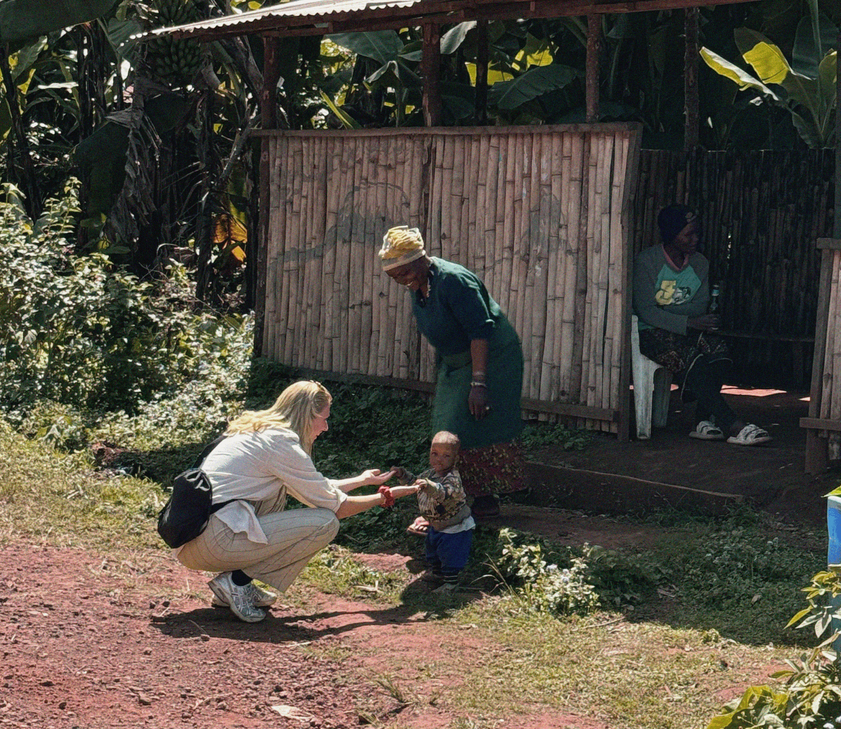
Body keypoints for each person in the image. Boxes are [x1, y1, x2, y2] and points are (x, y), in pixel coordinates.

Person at [174, 380, 418, 623]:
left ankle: (234, 585)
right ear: (307, 415)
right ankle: (236, 582)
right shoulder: (281, 444)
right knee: (326, 523)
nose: (326, 427)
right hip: (214, 542)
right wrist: (385, 497)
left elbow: (314, 488)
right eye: (323, 418)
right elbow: (337, 507)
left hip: (198, 540)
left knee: (278, 492)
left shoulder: (260, 432)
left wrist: (361, 480)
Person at [379, 225, 526, 519]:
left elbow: (479, 331)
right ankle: (454, 497)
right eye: (395, 277)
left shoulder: (454, 281)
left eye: (406, 272)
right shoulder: (419, 284)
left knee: (472, 422)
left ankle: (484, 503)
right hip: (456, 361)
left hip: (490, 358)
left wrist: (479, 382)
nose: (403, 281)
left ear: (422, 258)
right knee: (446, 425)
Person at [632, 204, 771, 446]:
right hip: (650, 333)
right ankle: (733, 424)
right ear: (671, 234)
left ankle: (701, 421)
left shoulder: (700, 264)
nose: (695, 239)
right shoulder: (647, 262)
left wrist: (674, 315)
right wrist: (687, 321)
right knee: (690, 356)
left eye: (697, 233)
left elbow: (700, 305)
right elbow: (646, 312)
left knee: (720, 352)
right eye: (688, 234)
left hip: (685, 327)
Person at [392, 431, 475, 586]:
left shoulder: (453, 478)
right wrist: (402, 475)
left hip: (454, 526)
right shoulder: (430, 474)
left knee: (451, 555)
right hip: (436, 523)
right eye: (435, 454)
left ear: (455, 459)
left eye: (446, 456)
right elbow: (414, 483)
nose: (439, 459)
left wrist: (428, 485)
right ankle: (436, 573)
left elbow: (444, 493)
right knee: (433, 550)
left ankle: (451, 584)